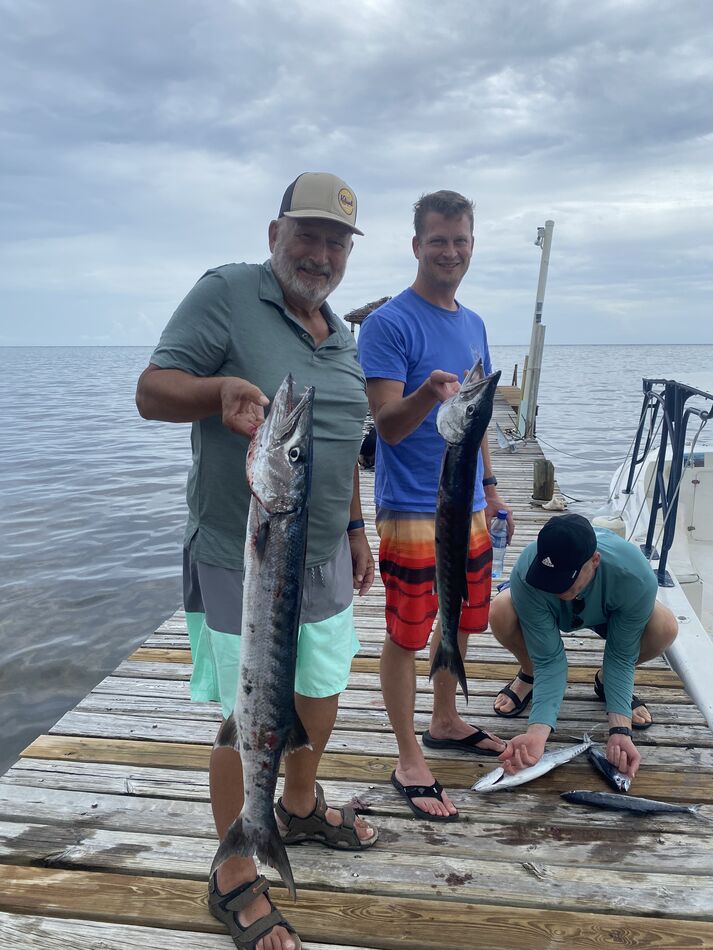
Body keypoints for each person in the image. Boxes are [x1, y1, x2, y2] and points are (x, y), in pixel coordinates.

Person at [136, 172, 378, 950]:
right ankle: (235, 868)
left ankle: (297, 809)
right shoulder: (228, 294)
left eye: (336, 241)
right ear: (274, 232)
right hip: (242, 555)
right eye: (306, 234)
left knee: (322, 686)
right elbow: (150, 390)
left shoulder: (341, 339)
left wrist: (354, 530)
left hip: (326, 557)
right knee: (251, 712)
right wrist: (214, 395)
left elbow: (336, 451)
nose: (320, 253)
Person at [357, 190, 513, 822]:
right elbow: (388, 425)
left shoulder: (473, 323)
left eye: (461, 240)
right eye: (438, 240)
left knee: (459, 621)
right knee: (408, 630)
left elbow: (474, 424)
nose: (450, 251)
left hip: (469, 502)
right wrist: (426, 392)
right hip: (412, 507)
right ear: (416, 244)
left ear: (472, 244)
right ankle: (406, 755)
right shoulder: (390, 322)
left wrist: (495, 485)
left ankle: (445, 720)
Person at [490, 513, 679, 781]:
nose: (556, 589)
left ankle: (607, 683)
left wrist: (620, 730)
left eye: (565, 579)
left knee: (664, 626)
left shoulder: (635, 576)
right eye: (549, 578)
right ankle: (528, 672)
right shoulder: (527, 571)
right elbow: (549, 659)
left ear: (594, 561)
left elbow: (621, 656)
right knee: (501, 609)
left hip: (609, 615)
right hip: (550, 618)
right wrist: (537, 733)